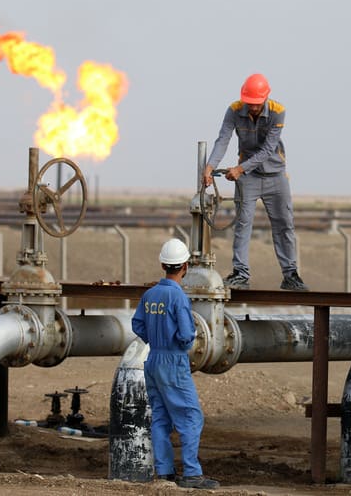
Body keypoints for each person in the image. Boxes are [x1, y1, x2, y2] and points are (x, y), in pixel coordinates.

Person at [202, 73, 308, 291]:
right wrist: (210, 166)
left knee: (284, 225)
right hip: (249, 178)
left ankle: (290, 275)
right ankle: (240, 274)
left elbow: (268, 150)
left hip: (275, 175)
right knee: (243, 224)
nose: (252, 107)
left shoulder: (278, 111)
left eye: (256, 104)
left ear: (265, 98)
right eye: (249, 103)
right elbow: (223, 139)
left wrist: (239, 169)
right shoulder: (234, 110)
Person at [131, 238, 219, 490]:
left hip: (153, 360)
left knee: (160, 417)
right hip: (172, 361)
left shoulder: (150, 294)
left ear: (163, 265)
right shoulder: (178, 296)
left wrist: (155, 339)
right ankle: (191, 473)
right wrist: (178, 345)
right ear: (185, 266)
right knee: (190, 416)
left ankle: (164, 472)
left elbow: (137, 324)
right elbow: (186, 334)